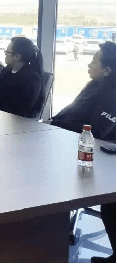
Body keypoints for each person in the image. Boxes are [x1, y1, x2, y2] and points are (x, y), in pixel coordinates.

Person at [49, 42, 116, 264]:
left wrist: (54, 125)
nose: (89, 63)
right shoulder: (95, 86)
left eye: (94, 61)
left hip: (100, 158)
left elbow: (96, 132)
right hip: (73, 144)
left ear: (107, 70)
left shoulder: (111, 94)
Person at [0, 37, 42, 118]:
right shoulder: (6, 70)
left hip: (13, 121)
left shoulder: (32, 79)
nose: (5, 54)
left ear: (17, 56)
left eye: (7, 52)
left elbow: (20, 111)